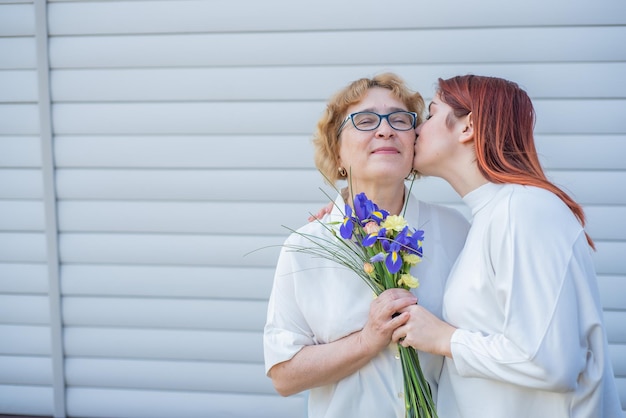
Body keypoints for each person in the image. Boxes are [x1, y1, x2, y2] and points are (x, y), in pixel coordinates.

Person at [392, 74, 623, 417]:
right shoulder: (495, 215)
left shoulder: (524, 210)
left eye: (430, 114)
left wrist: (445, 339)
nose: (417, 130)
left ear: (467, 127)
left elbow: (548, 362)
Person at [263, 73, 470, 417]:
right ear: (337, 151)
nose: (386, 129)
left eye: (400, 120)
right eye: (365, 120)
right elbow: (284, 375)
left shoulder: (456, 231)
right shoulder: (305, 247)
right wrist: (367, 340)